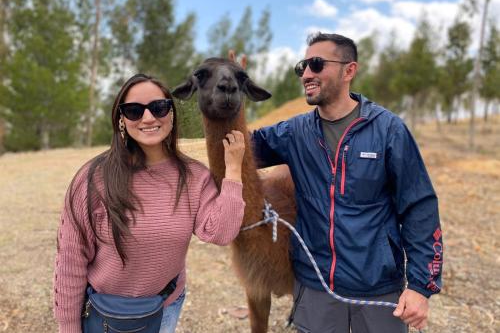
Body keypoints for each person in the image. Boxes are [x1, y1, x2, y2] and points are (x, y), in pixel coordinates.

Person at [250, 33, 443, 333]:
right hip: (315, 287)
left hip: (378, 288)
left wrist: (420, 286)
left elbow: (420, 207)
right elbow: (237, 150)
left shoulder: (388, 130)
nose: (307, 74)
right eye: (302, 66)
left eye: (316, 64)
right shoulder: (294, 133)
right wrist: (228, 90)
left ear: (349, 70)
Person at [53, 73, 246, 333]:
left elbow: (221, 232)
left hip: (166, 306)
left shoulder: (194, 176)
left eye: (158, 107)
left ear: (171, 113)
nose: (148, 118)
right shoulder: (93, 179)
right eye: (134, 110)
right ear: (121, 119)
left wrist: (233, 170)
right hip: (108, 314)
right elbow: (70, 263)